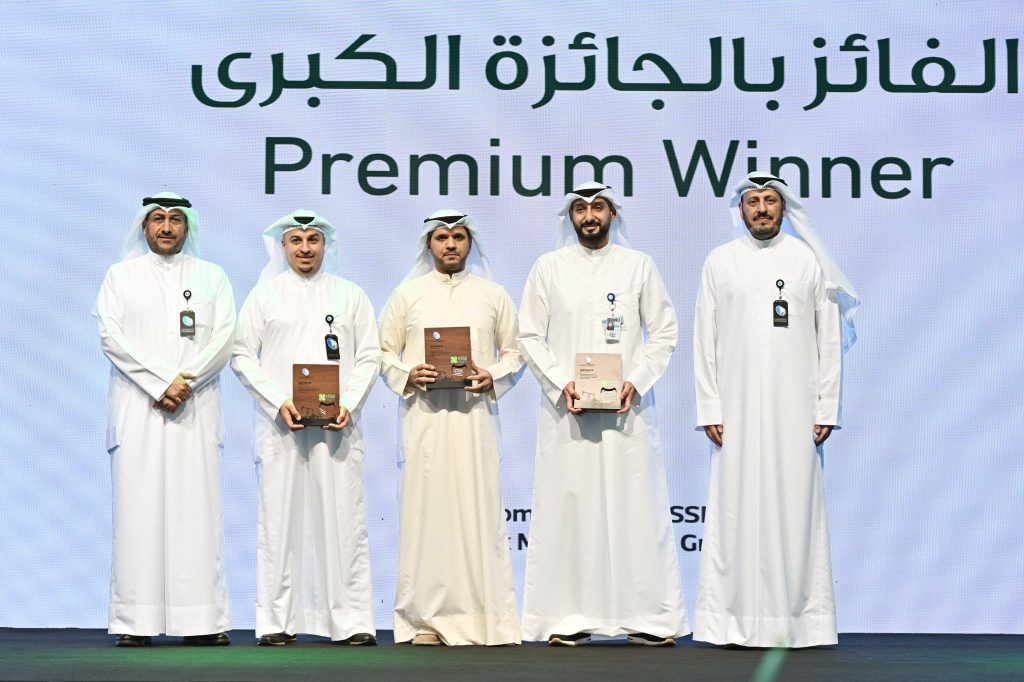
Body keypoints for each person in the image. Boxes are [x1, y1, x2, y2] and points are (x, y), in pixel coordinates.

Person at [692, 171, 860, 648]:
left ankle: (801, 621)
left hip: (797, 409)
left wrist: (827, 406)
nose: (762, 209)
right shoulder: (719, 261)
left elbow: (829, 339)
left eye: (770, 201)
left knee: (796, 509)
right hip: (735, 410)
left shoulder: (808, 261)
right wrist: (709, 406)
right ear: (741, 210)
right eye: (753, 202)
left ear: (784, 208)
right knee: (735, 511)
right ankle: (729, 621)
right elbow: (705, 337)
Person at [517, 182, 688, 647]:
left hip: (627, 413)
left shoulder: (639, 266)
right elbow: (529, 335)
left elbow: (664, 332)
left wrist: (637, 380)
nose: (589, 216)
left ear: (613, 214)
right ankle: (568, 618)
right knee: (569, 509)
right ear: (570, 217)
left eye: (598, 207)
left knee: (635, 508)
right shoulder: (548, 268)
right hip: (567, 414)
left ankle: (647, 619)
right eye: (580, 208)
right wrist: (561, 383)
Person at [231, 209, 381, 646]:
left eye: (312, 240)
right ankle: (277, 622)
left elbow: (369, 355)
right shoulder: (265, 296)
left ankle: (351, 622)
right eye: (295, 240)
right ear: (282, 246)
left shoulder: (350, 295)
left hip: (338, 427)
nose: (304, 248)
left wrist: (349, 402)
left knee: (343, 520)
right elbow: (242, 355)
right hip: (281, 427)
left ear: (324, 245)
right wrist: (277, 401)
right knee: (279, 522)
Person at [94, 193, 234, 647]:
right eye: (158, 219)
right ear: (144, 227)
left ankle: (201, 622)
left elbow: (224, 340)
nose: (167, 227)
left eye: (175, 219)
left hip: (195, 408)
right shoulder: (120, 277)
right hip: (138, 410)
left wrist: (183, 384)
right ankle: (135, 622)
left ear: (187, 227)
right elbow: (111, 338)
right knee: (137, 514)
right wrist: (160, 384)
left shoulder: (212, 277)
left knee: (196, 514)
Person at [378, 210, 523, 646]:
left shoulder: (493, 295)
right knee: (427, 514)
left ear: (469, 243)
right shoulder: (407, 295)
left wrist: (493, 375)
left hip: (475, 421)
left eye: (458, 236)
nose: (451, 245)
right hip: (424, 422)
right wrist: (408, 373)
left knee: (478, 513)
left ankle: (484, 618)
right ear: (429, 245)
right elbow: (381, 352)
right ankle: (424, 619)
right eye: (441, 237)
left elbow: (516, 352)